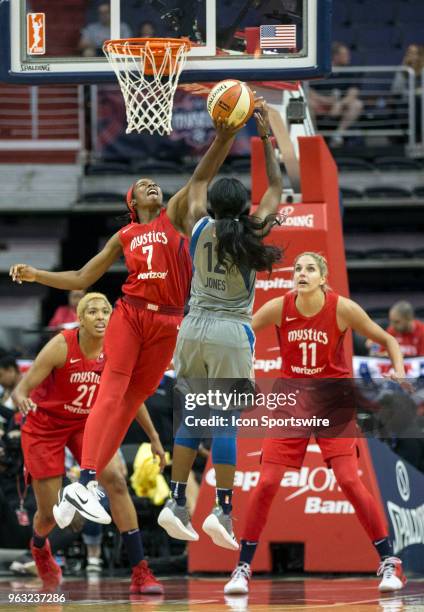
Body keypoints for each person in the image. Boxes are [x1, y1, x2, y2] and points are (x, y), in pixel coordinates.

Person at [10, 117, 241, 527]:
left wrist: (224, 136)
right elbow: (83, 278)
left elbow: (202, 174)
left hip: (170, 323)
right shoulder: (126, 235)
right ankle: (87, 481)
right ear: (131, 202)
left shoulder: (173, 217)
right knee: (112, 392)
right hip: (131, 314)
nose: (152, 185)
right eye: (142, 184)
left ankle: (78, 492)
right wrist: (38, 275)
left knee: (131, 401)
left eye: (155, 182)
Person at [224, 252, 408, 594]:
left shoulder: (342, 308)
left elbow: (389, 340)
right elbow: (243, 332)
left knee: (349, 481)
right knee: (266, 483)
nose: (301, 273)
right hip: (291, 400)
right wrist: (245, 366)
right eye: (297, 268)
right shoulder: (281, 306)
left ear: (323, 277)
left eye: (310, 269)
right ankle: (243, 568)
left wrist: (397, 367)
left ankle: (389, 562)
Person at [157, 102, 283, 551]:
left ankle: (175, 503)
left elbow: (199, 181)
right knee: (224, 421)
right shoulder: (253, 233)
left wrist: (221, 136)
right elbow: (279, 188)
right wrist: (266, 136)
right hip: (230, 330)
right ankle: (223, 511)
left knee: (192, 416)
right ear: (244, 206)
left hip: (191, 327)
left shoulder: (198, 223)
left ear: (212, 204)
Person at [12, 292, 166, 593]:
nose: (100, 316)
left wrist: (155, 438)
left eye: (106, 311)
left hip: (87, 425)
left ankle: (140, 571)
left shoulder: (118, 350)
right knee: (50, 512)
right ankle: (40, 548)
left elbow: (132, 398)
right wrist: (22, 402)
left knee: (116, 482)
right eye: (92, 311)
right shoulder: (60, 345)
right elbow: (22, 389)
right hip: (47, 426)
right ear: (79, 319)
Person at [308, 42, 363, 147]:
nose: (348, 57)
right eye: (345, 55)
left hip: (340, 107)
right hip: (321, 104)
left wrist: (339, 104)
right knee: (309, 103)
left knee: (357, 104)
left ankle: (338, 134)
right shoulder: (320, 70)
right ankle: (313, 135)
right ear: (335, 56)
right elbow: (309, 91)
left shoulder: (351, 71)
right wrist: (325, 101)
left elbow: (353, 94)